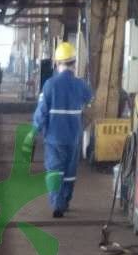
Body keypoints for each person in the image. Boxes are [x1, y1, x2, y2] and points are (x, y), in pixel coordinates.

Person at [32, 40, 93, 218]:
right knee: (69, 171)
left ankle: (57, 205)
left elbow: (42, 111)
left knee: (54, 170)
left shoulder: (50, 85)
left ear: (57, 63)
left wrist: (34, 130)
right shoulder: (81, 85)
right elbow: (89, 100)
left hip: (54, 137)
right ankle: (65, 201)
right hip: (73, 137)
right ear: (74, 63)